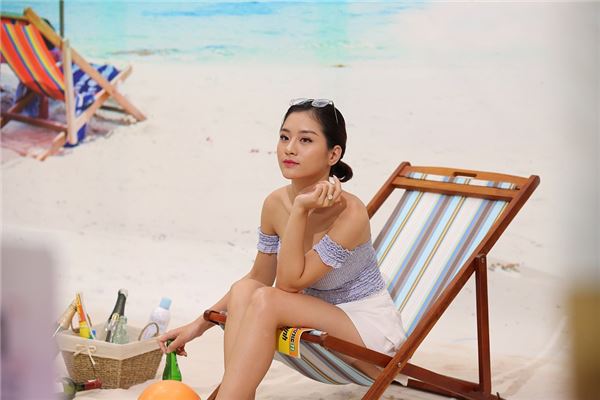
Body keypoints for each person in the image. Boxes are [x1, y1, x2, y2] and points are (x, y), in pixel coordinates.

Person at [158, 98, 407, 399]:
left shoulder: (350, 213)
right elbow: (259, 278)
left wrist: (300, 210)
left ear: (333, 154)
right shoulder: (275, 203)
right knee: (245, 289)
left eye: (305, 140)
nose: (290, 148)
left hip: (364, 329)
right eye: (284, 137)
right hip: (312, 314)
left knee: (268, 300)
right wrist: (199, 324)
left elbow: (288, 285)